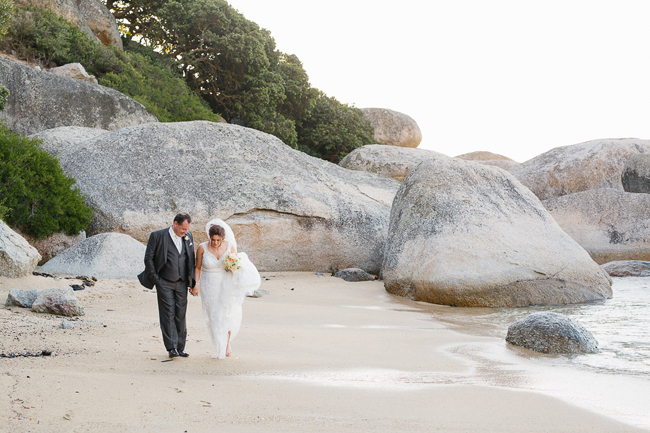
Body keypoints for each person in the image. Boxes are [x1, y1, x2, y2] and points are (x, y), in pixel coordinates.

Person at [192, 218, 260, 359]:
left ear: (223, 238)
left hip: (225, 283)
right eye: (213, 240)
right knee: (213, 315)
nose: (215, 243)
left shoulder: (230, 247)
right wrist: (195, 284)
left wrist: (233, 267)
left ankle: (226, 343)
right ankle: (218, 343)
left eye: (218, 240)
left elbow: (235, 266)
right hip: (209, 285)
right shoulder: (202, 248)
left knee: (227, 313)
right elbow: (198, 268)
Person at [139, 212, 196, 358]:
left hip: (182, 283)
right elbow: (148, 258)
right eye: (183, 229)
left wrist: (192, 282)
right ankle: (171, 348)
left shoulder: (188, 237)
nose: (185, 232)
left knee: (181, 314)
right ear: (175, 224)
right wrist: (156, 279)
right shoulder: (157, 236)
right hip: (164, 281)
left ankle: (181, 347)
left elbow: (191, 259)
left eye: (187, 229)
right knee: (168, 314)